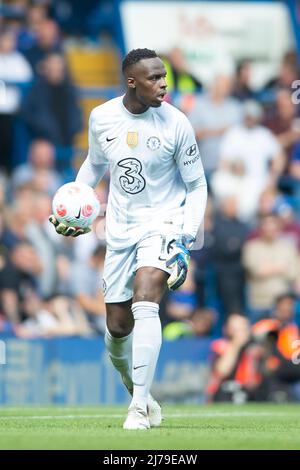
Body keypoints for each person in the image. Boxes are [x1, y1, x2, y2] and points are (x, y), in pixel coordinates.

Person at [49, 48, 207, 429]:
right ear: (131, 81)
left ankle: (137, 408)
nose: (163, 84)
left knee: (147, 293)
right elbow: (94, 164)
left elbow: (197, 185)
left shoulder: (176, 123)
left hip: (164, 223)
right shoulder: (102, 117)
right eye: (154, 78)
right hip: (119, 229)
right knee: (118, 329)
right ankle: (142, 392)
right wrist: (71, 201)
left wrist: (184, 237)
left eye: (164, 76)